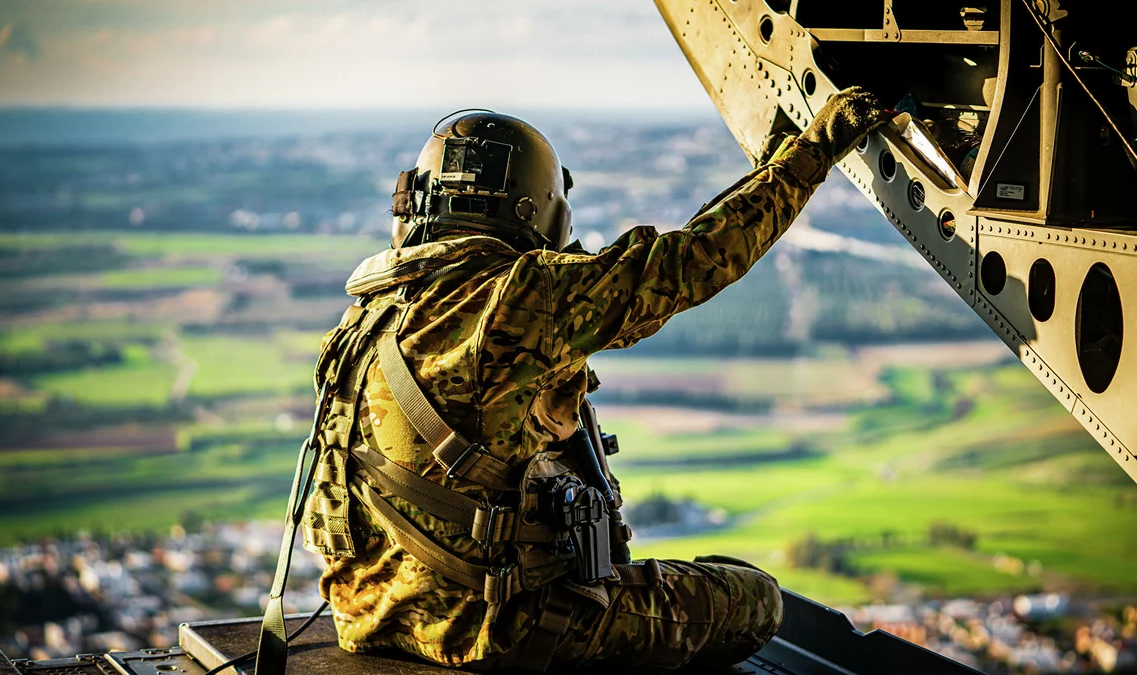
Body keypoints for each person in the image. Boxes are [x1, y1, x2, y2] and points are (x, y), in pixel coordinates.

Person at [300, 88, 889, 673]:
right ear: (536, 209)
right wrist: (813, 151)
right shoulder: (523, 297)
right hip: (495, 631)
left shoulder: (363, 321)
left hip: (370, 621)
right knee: (755, 599)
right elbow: (698, 256)